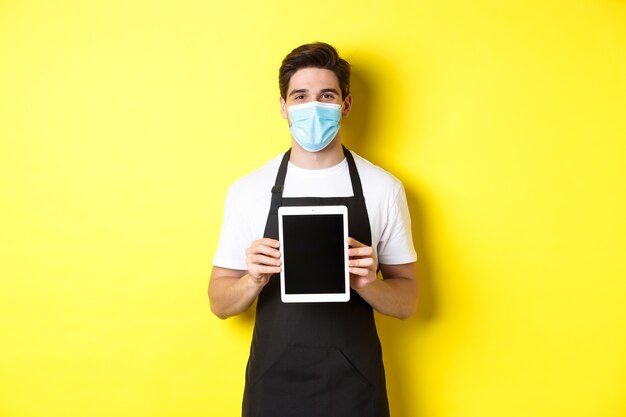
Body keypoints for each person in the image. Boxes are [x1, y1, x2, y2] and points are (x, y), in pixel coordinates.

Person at [208, 42, 418, 417]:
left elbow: (408, 303)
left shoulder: (382, 188)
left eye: (326, 96)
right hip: (273, 386)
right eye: (300, 96)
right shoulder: (248, 191)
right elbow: (219, 303)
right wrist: (253, 279)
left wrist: (368, 283)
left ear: (346, 106)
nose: (313, 107)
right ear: (284, 108)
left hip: (355, 388)